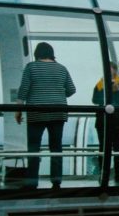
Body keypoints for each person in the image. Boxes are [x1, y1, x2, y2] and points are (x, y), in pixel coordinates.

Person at [16, 42, 75, 189]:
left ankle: (32, 182)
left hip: (36, 112)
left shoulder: (31, 67)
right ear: (51, 53)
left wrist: (18, 109)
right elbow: (71, 89)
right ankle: (56, 181)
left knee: (34, 147)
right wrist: (58, 93)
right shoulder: (62, 68)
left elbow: (24, 88)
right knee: (56, 147)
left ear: (37, 54)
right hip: (58, 111)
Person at [91, 62, 119, 184]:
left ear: (115, 71)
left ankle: (118, 174)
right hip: (104, 121)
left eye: (111, 70)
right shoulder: (99, 85)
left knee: (118, 148)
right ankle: (104, 174)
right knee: (103, 148)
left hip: (118, 120)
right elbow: (95, 100)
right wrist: (106, 92)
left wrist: (117, 91)